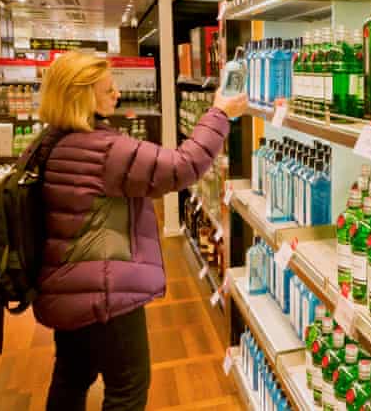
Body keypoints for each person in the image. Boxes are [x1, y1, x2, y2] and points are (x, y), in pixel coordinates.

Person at [34, 52, 247, 411]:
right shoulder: (103, 149)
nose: (116, 95)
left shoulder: (50, 142)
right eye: (107, 90)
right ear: (82, 97)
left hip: (65, 285)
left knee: (71, 376)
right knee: (128, 389)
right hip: (105, 293)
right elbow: (183, 166)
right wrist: (220, 113)